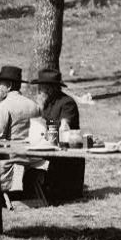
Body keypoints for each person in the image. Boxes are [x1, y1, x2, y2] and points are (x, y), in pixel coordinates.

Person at [0, 65, 43, 195]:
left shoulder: (4, 106)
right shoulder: (34, 105)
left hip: (8, 163)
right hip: (30, 159)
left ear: (9, 86)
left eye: (1, 84)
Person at [28, 68, 84, 202]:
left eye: (41, 88)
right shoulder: (45, 104)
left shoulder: (67, 103)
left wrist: (45, 123)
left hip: (65, 154)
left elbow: (64, 126)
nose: (39, 91)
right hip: (46, 147)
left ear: (50, 88)